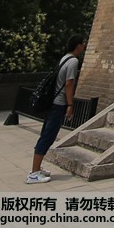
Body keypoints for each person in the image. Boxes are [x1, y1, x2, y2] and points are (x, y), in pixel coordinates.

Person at [27, 34, 86, 184]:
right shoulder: (73, 61)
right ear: (78, 46)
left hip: (52, 102)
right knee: (48, 136)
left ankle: (37, 168)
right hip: (58, 104)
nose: (84, 46)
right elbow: (69, 84)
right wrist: (70, 105)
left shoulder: (64, 58)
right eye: (82, 43)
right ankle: (34, 173)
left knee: (45, 134)